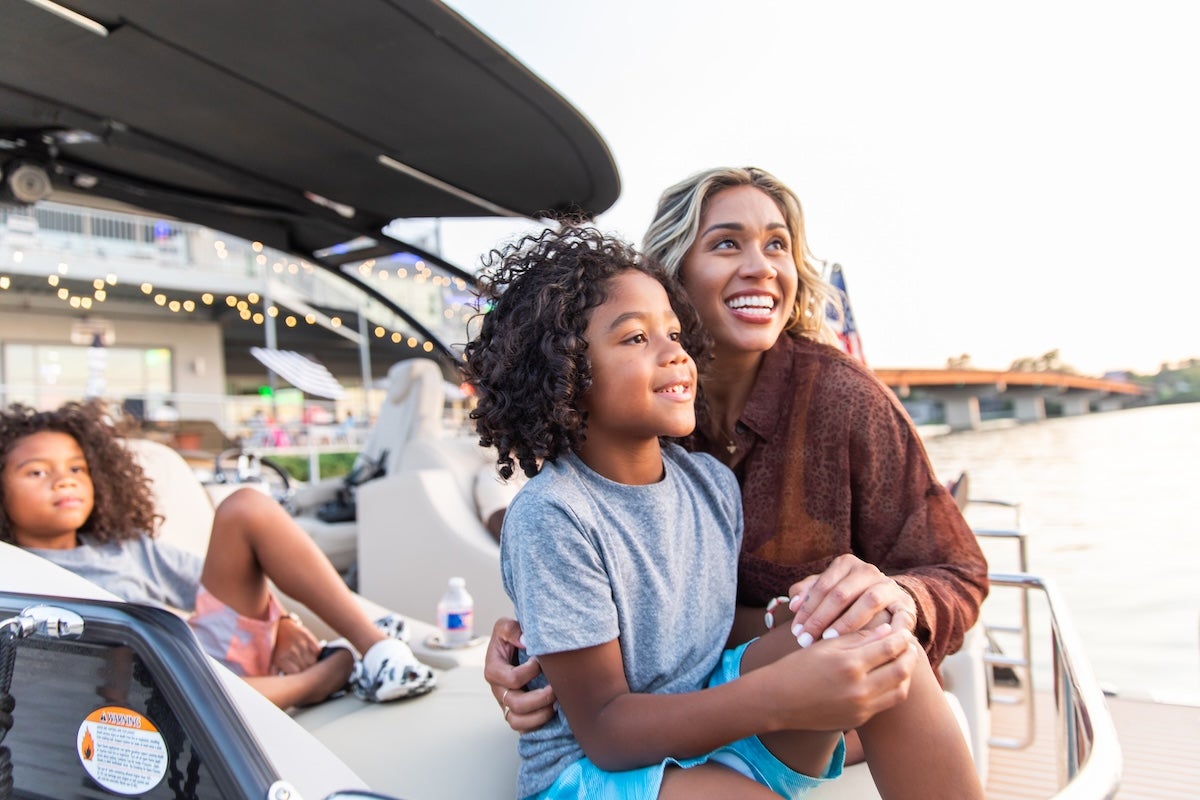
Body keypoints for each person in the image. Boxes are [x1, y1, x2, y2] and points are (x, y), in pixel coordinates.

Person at [486, 167, 989, 765]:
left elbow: (958, 569)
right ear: (669, 275)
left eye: (778, 245)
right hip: (678, 713)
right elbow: (579, 532)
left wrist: (897, 600)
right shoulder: (631, 416)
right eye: (727, 243)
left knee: (876, 636)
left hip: (818, 697)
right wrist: (528, 637)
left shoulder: (845, 400)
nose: (762, 267)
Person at [0, 400, 436, 710]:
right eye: (37, 472)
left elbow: (226, 589)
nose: (64, 481)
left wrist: (283, 624)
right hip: (147, 703)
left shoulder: (128, 551)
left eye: (76, 468)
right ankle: (318, 681)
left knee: (245, 507)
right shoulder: (14, 575)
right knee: (124, 664)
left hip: (208, 662)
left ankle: (376, 651)